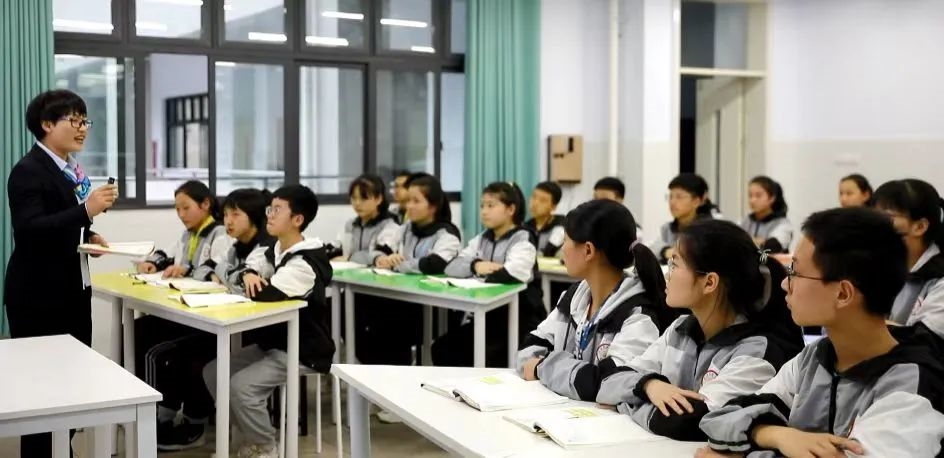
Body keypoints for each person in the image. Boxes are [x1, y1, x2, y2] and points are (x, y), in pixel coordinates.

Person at [698, 208, 944, 458]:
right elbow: (721, 419)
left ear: (843, 293)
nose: (784, 283)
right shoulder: (815, 359)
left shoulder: (911, 385)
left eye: (794, 272)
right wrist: (777, 435)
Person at [596, 220, 803, 441]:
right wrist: (649, 386)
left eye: (675, 264)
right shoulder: (680, 329)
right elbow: (609, 381)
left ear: (709, 282)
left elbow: (691, 423)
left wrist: (625, 403)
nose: (667, 273)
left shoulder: (756, 352)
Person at [5, 88, 117, 457]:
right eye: (74, 120)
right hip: (39, 297)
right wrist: (86, 211)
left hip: (72, 291)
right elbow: (30, 230)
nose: (83, 128)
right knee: (42, 396)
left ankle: (61, 451)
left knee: (70, 389)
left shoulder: (70, 169)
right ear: (47, 124)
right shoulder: (27, 170)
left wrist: (88, 235)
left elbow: (63, 224)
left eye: (85, 121)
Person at [205, 184, 335, 458]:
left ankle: (266, 447)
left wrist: (243, 277)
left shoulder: (305, 263)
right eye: (270, 209)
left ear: (297, 219)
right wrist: (246, 275)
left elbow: (262, 294)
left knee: (241, 387)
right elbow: (245, 271)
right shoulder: (274, 249)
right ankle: (249, 437)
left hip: (303, 350)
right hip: (274, 343)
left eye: (277, 210)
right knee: (214, 372)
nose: (270, 215)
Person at [517, 199, 678, 401]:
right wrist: (567, 374)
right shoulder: (574, 297)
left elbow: (607, 383)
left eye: (566, 241)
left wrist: (543, 367)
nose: (563, 249)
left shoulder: (637, 315)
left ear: (588, 250)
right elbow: (527, 352)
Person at [155, 188, 274, 451]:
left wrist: (224, 273)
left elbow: (240, 282)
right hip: (229, 318)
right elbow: (206, 270)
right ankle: (176, 416)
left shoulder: (265, 248)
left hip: (256, 329)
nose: (228, 221)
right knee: (182, 348)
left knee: (197, 354)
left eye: (236, 215)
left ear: (254, 216)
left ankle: (195, 422)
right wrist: (223, 273)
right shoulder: (236, 246)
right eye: (227, 214)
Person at [432, 182, 544, 367]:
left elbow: (512, 274)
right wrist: (476, 266)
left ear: (510, 209)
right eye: (482, 206)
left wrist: (475, 272)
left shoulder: (523, 237)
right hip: (489, 316)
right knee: (442, 348)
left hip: (520, 319)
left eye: (491, 205)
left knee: (479, 355)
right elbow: (451, 267)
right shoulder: (482, 238)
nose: (484, 211)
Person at [357, 173, 461, 365]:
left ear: (433, 206)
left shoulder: (447, 233)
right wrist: (383, 258)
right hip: (405, 299)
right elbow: (380, 250)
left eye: (416, 201)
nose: (409, 206)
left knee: (385, 325)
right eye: (408, 201)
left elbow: (435, 263)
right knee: (360, 310)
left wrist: (400, 265)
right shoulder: (406, 229)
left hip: (434, 307)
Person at [874, 179, 944, 340]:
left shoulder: (939, 279)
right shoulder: (885, 268)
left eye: (886, 217)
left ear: (920, 226)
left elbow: (924, 339)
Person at [651, 173, 719, 264]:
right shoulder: (668, 228)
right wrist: (665, 251)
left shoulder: (712, 229)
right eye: (670, 196)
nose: (672, 202)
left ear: (697, 201)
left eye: (679, 197)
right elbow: (653, 248)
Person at [340, 174, 400, 265]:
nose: (357, 203)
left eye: (364, 198)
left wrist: (349, 258)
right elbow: (338, 248)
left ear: (379, 199)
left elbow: (381, 256)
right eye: (354, 198)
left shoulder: (390, 226)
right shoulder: (351, 224)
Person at [741, 176, 792, 253]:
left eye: (758, 196)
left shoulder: (782, 223)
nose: (752, 200)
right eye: (750, 195)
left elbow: (772, 246)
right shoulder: (747, 220)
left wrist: (748, 241)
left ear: (772, 198)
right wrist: (758, 241)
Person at [523, 181, 566, 257]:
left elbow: (549, 253)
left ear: (553, 207)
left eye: (542, 200)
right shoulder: (526, 226)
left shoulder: (561, 226)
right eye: (534, 197)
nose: (535, 203)